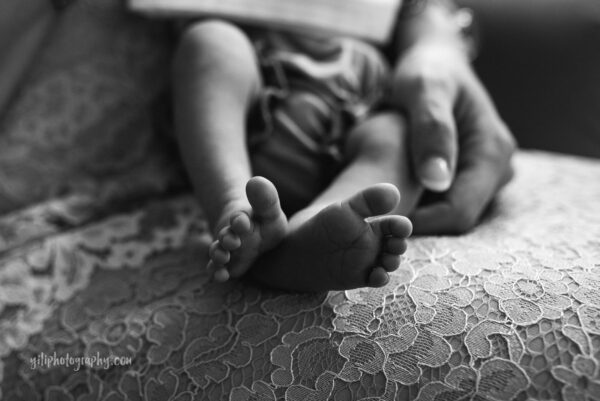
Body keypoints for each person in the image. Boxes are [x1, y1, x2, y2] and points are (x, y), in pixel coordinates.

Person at [171, 0, 516, 292]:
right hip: (253, 65)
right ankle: (235, 206)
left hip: (360, 93)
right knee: (209, 44)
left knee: (397, 134)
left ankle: (316, 231)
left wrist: (435, 44)